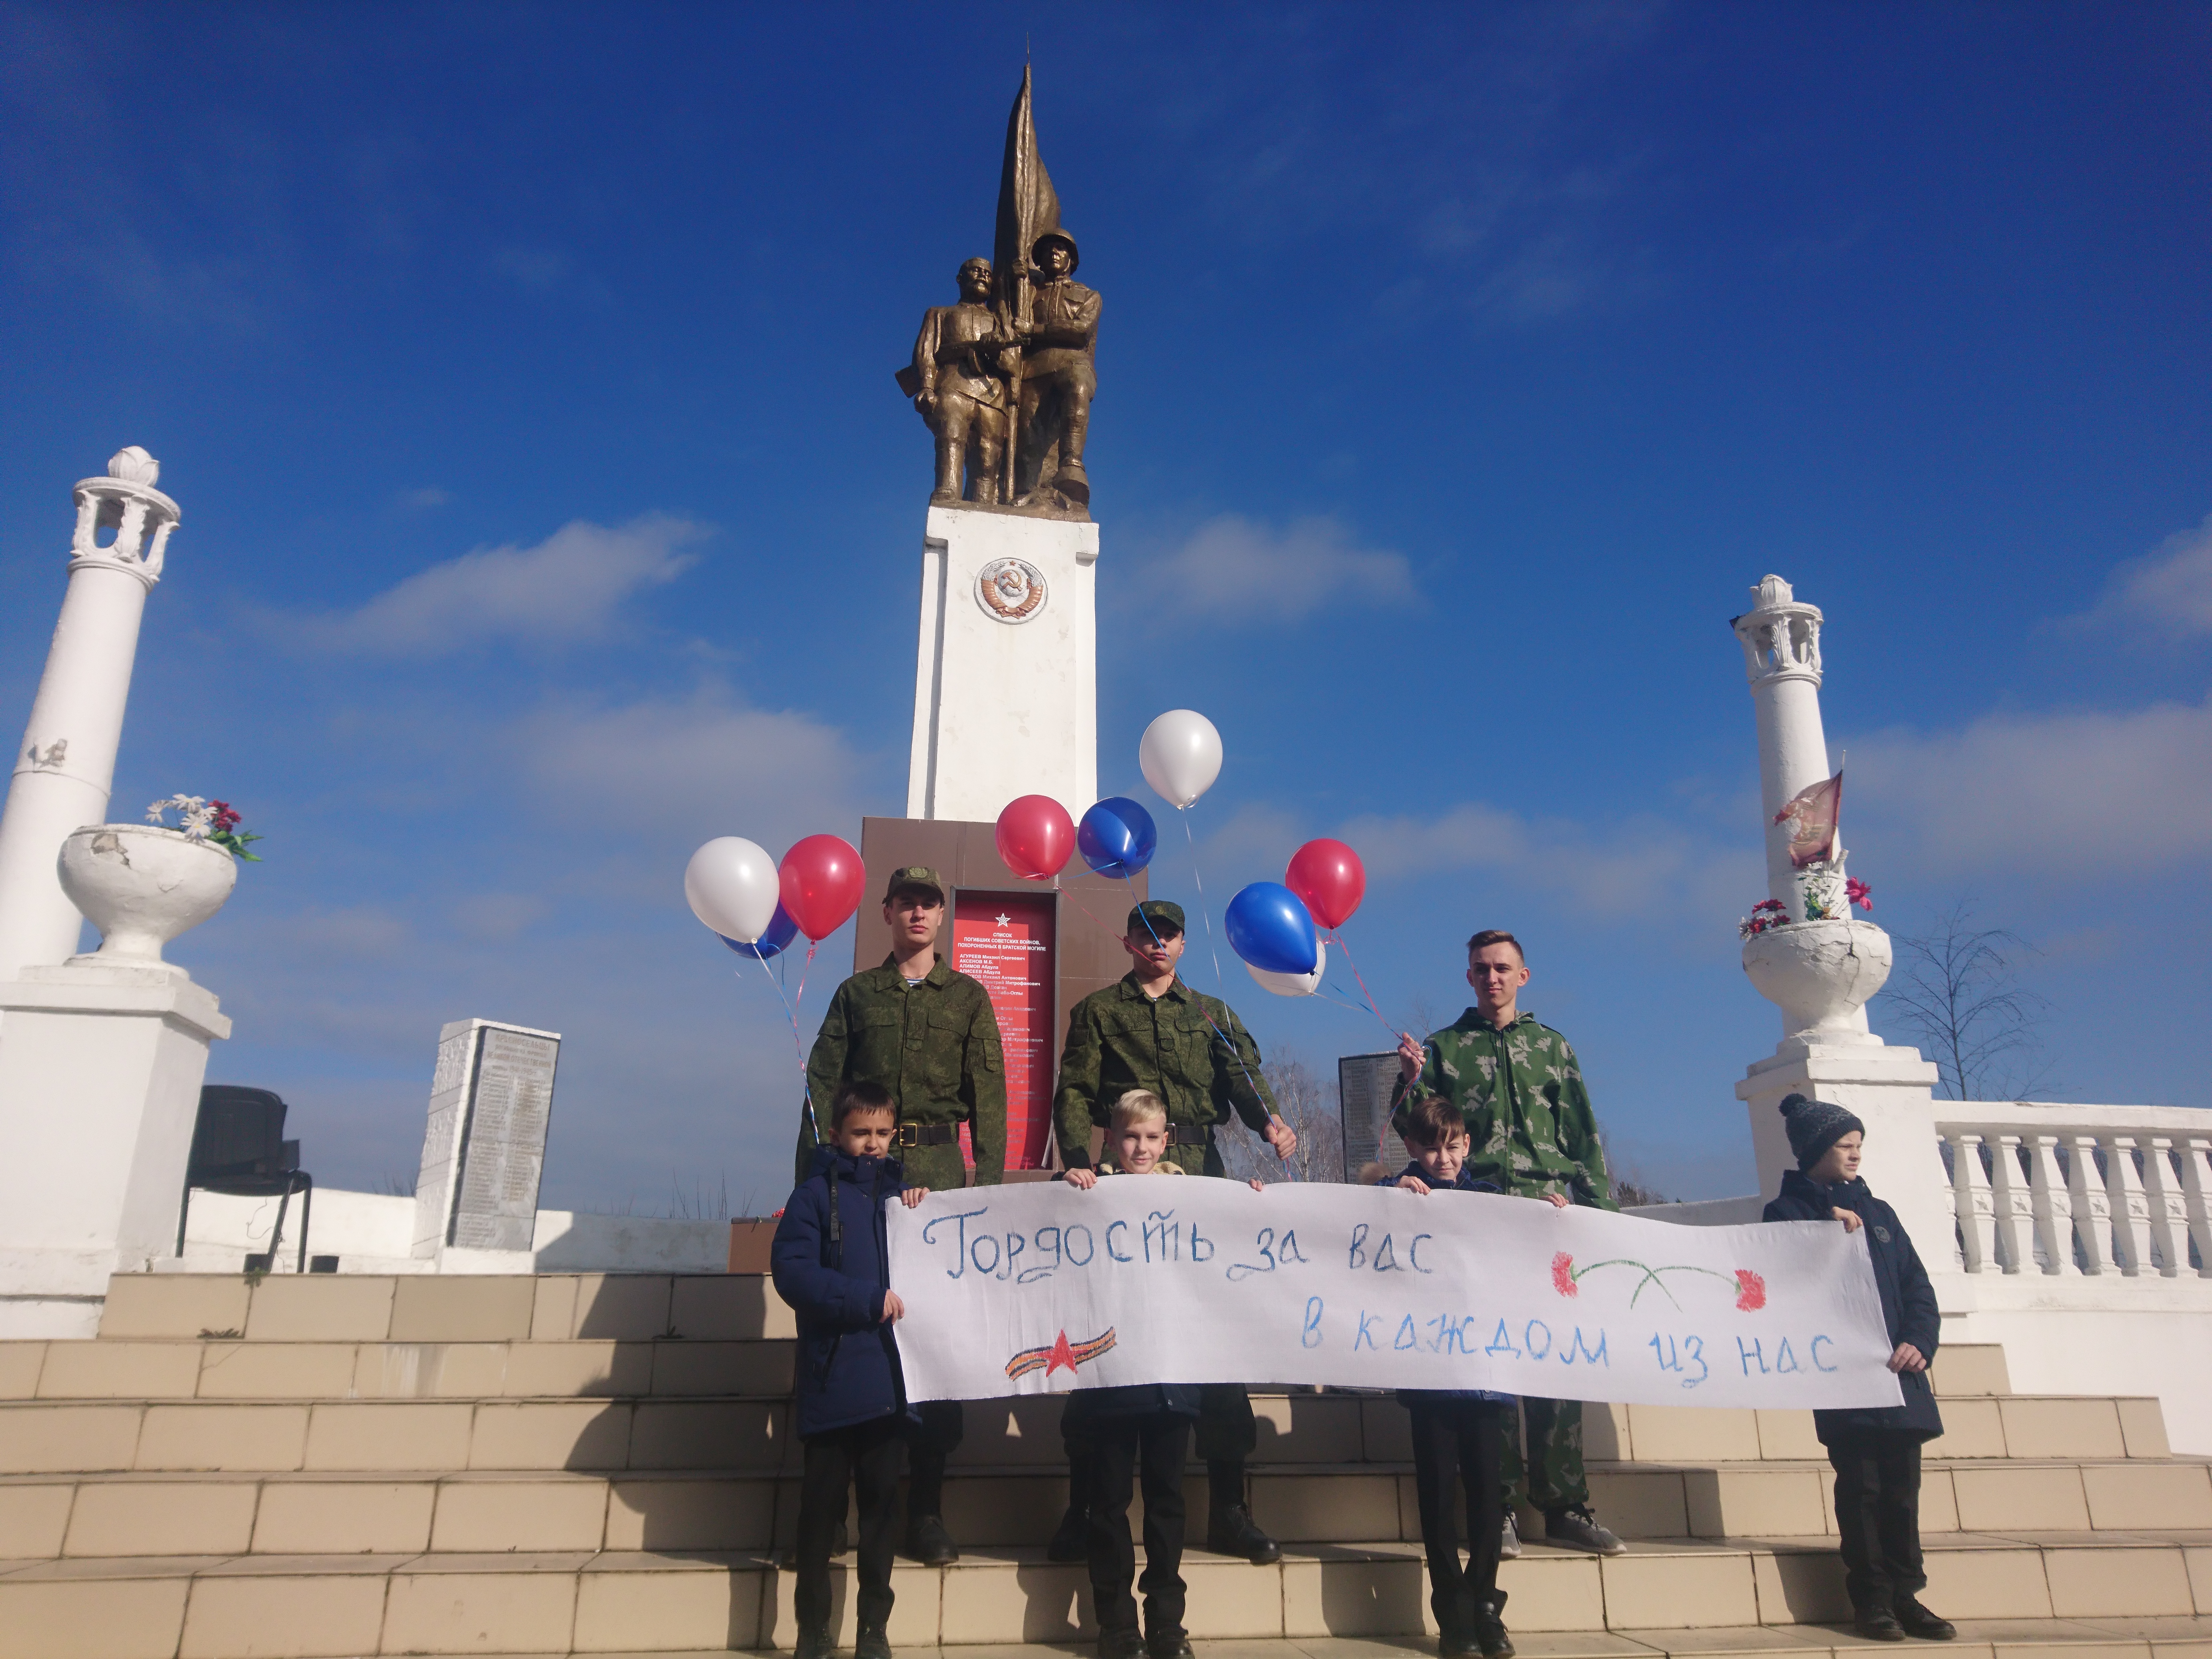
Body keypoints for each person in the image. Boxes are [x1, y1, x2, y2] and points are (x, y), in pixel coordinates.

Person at [1049, 898, 1299, 1566]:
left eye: (1169, 935)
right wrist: (1078, 1162)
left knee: (1214, 1338)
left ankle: (1230, 1511)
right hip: (1122, 1186)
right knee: (1106, 1330)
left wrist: (1269, 1123)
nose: (1157, 944)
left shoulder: (1211, 1012)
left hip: (1199, 1180)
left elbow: (1246, 1077)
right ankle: (1084, 1509)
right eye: (1145, 934)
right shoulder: (1100, 1013)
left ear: (1184, 944)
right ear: (1128, 940)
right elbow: (1074, 1090)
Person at [1391, 928, 1625, 1560]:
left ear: (1523, 977)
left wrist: (1598, 1211)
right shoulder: (1446, 1047)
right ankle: (1496, 1508)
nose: (1491, 978)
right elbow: (1412, 1128)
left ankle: (1564, 1502)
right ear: (1468, 978)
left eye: (1502, 969)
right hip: (1480, 1214)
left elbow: (1582, 1131)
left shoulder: (1553, 1048)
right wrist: (1409, 1080)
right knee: (1491, 1362)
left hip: (1550, 1212)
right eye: (1480, 969)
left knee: (1556, 1358)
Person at [797, 866, 1007, 1566]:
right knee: (851, 1330)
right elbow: (821, 1086)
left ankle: (926, 1513)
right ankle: (829, 1516)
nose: (918, 914)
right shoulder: (857, 994)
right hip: (858, 1182)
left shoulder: (970, 996)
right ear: (887, 912)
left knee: (932, 1343)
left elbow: (991, 1094)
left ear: (943, 916)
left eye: (930, 903)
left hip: (941, 1180)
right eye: (907, 903)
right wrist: (814, 1180)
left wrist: (990, 1190)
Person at [1060, 1090, 1257, 1659]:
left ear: (1166, 1140)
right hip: (1110, 1381)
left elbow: (1235, 1235)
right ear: (1111, 1140)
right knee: (1109, 1504)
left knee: (1168, 1502)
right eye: (1130, 1137)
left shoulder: (1190, 1196)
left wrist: (1257, 1203)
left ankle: (1167, 1624)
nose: (1140, 1148)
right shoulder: (1086, 1192)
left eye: (1151, 1138)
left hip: (1173, 1379)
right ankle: (1117, 1626)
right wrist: (1070, 1188)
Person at [1764, 1093, 1955, 1644]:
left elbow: (1917, 1286)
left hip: (1900, 1378)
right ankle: (1871, 1600)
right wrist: (1825, 1230)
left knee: (1902, 1489)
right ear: (1818, 1148)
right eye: (1845, 1146)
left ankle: (1907, 1595)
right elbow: (1781, 1274)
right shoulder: (1788, 1213)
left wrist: (1920, 1340)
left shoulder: (1881, 1212)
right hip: (1845, 1377)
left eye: (1858, 1146)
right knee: (1863, 1488)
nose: (1855, 1155)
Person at [770, 1082, 933, 1659]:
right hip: (833, 1381)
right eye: (860, 1133)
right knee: (819, 1517)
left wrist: (925, 1210)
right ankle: (813, 1632)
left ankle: (872, 1630)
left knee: (882, 1512)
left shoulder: (907, 1205)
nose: (871, 1145)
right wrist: (865, 1300)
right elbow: (794, 1275)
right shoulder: (813, 1197)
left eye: (882, 1134)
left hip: (890, 1388)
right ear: (836, 1134)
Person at [1377, 1094, 1520, 1659]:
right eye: (1433, 1148)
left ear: (1467, 1146)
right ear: (1414, 1148)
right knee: (1437, 1494)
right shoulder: (1398, 1193)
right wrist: (1392, 1196)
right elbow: (1354, 1226)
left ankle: (1486, 1604)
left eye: (1453, 1147)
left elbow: (1526, 1242)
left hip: (1484, 1373)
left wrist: (1554, 1213)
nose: (1443, 1159)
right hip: (1429, 1373)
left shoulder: (1487, 1199)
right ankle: (1452, 1612)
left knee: (1487, 1491)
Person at [903, 257, 1015, 505]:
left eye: (987, 273)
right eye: (976, 271)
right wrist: (927, 386)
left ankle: (984, 504)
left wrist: (996, 351)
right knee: (951, 440)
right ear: (960, 279)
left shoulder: (999, 321)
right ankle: (947, 493)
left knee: (989, 455)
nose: (983, 276)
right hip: (953, 386)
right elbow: (926, 352)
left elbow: (1012, 365)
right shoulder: (940, 314)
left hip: (992, 393)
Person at [1011, 228, 1101, 509]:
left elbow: (1080, 331)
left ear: (1071, 260)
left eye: (1060, 249)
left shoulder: (1088, 295)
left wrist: (1035, 331)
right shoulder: (1027, 293)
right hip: (1034, 370)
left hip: (1072, 362)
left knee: (1078, 386)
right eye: (1048, 249)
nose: (1054, 253)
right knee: (1028, 434)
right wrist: (1013, 276)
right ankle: (1027, 492)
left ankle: (1072, 465)